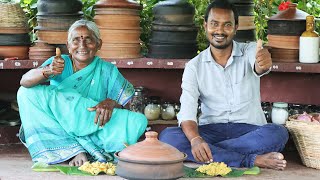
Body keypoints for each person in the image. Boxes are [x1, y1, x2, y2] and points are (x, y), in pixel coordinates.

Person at [159, 0, 288, 170]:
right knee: (168, 137)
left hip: (249, 131)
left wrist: (263, 62)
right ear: (205, 25)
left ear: (236, 27)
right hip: (210, 130)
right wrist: (196, 140)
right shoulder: (194, 66)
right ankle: (250, 160)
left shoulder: (249, 50)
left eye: (227, 25)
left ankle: (212, 155)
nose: (219, 30)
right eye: (214, 24)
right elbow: (187, 112)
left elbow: (259, 64)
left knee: (278, 133)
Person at [17, 19, 147, 166]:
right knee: (25, 93)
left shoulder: (107, 70)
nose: (82, 45)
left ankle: (87, 146)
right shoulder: (58, 62)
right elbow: (25, 82)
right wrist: (48, 71)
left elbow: (126, 103)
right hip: (61, 126)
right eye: (76, 40)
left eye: (88, 40)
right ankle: (73, 149)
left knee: (138, 121)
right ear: (68, 46)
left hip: (93, 124)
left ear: (99, 44)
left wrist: (111, 102)